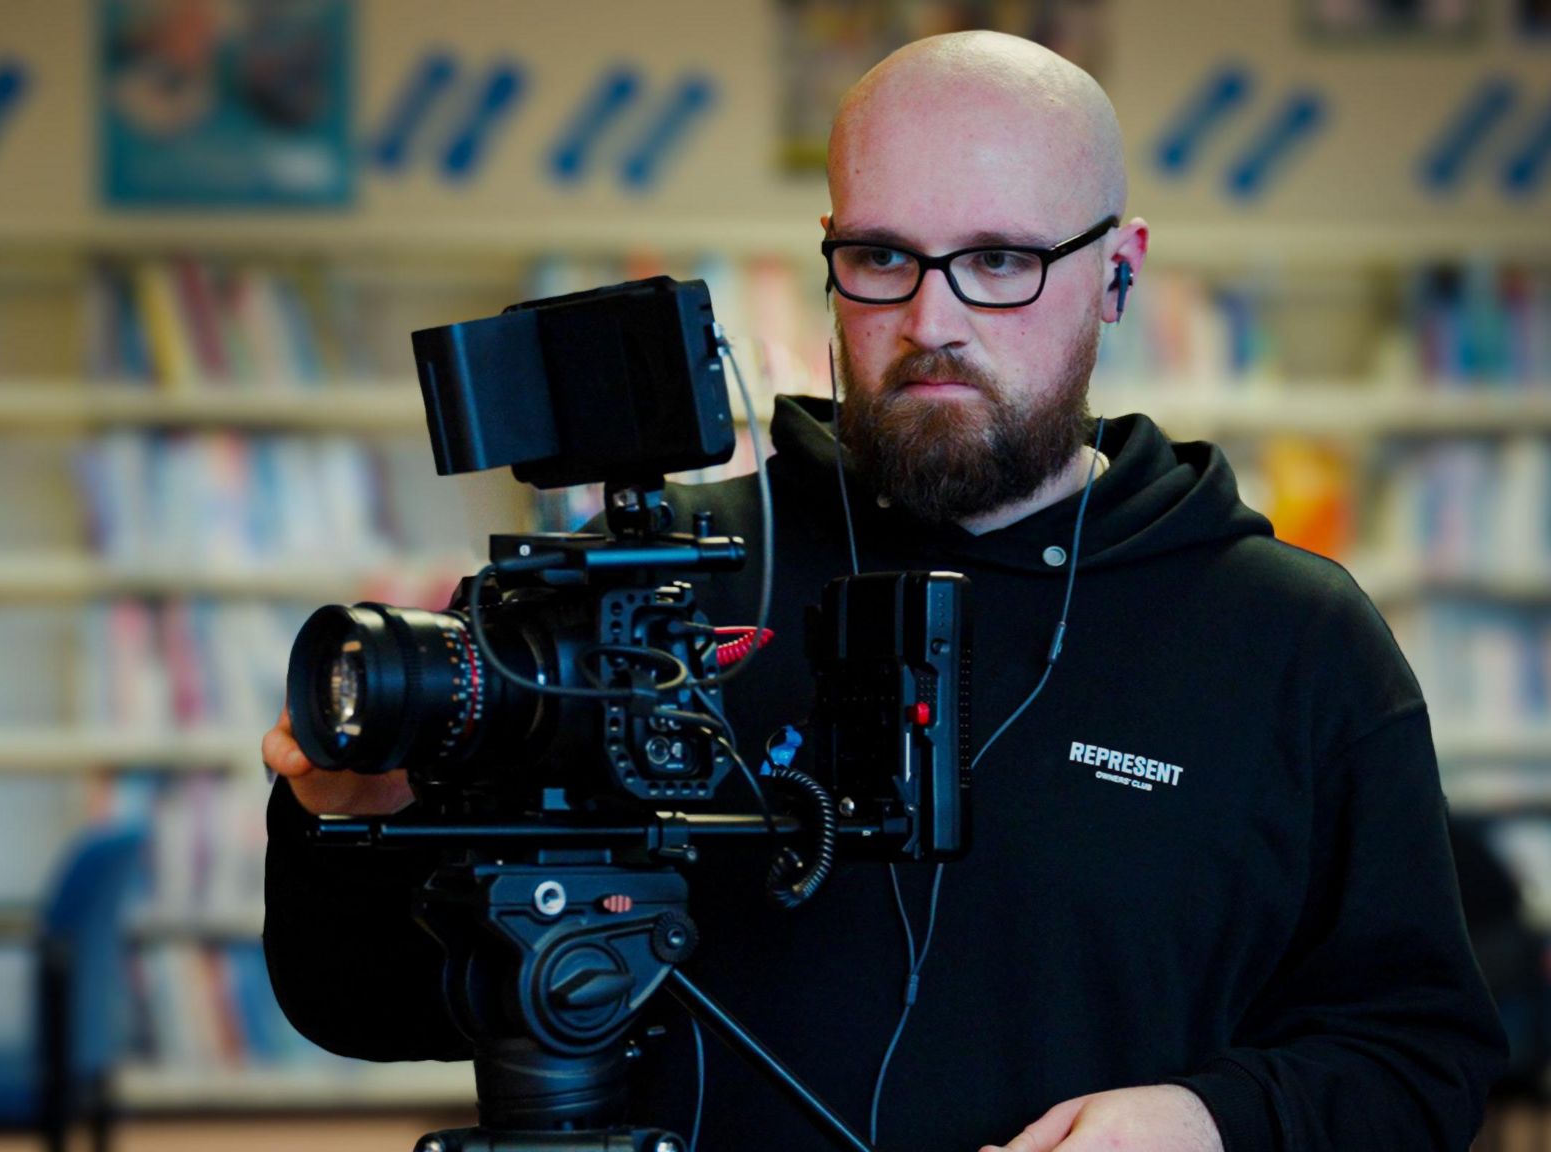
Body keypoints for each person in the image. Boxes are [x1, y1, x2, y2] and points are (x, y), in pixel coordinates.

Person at [259, 30, 1507, 1152]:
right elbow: (366, 1005)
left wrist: (1209, 1123)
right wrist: (340, 825)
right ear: (826, 258)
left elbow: (1419, 1061)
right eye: (880, 257)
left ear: (1117, 272)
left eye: (1003, 259)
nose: (932, 317)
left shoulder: (1289, 642)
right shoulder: (621, 599)